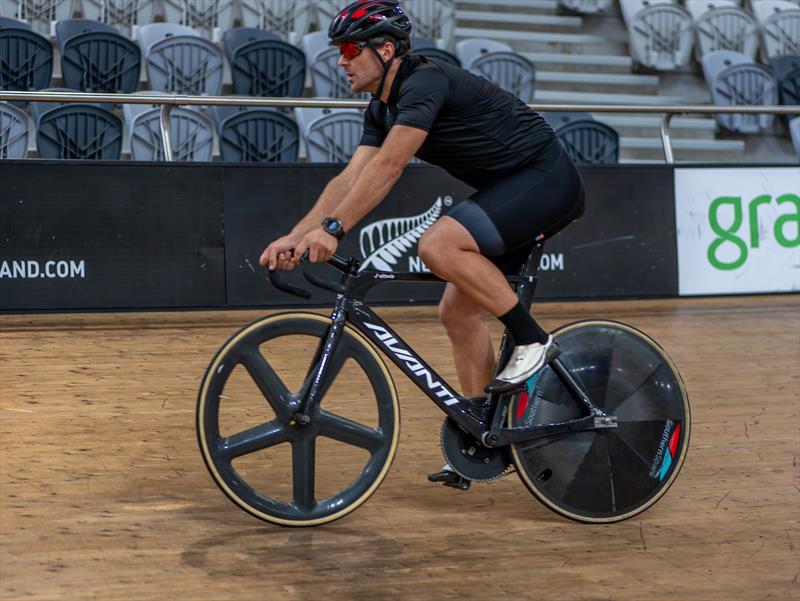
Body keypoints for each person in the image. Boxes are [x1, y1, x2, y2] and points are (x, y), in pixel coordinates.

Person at [259, 0, 586, 484]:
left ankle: (534, 341)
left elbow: (388, 168)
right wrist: (300, 231)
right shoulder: (381, 107)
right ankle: (482, 435)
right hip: (510, 188)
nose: (341, 60)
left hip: (545, 179)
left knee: (438, 246)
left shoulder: (424, 82)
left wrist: (333, 231)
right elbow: (353, 176)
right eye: (339, 51)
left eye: (349, 48)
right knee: (457, 311)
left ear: (386, 49)